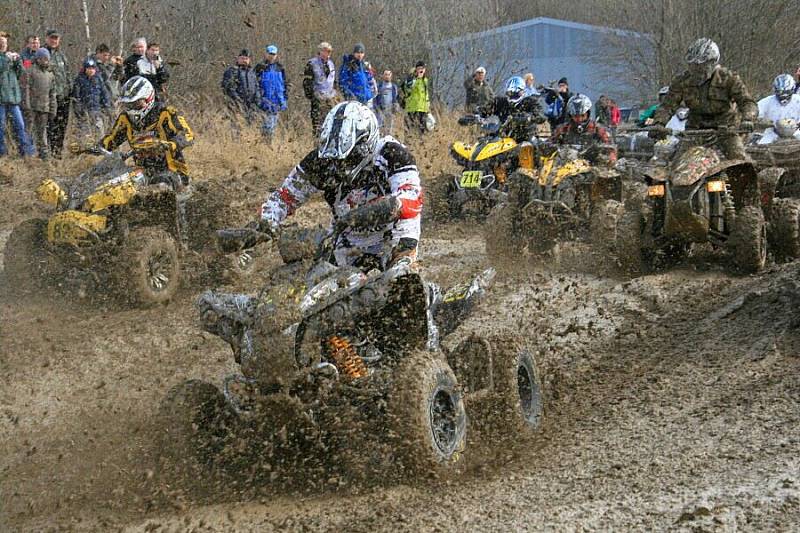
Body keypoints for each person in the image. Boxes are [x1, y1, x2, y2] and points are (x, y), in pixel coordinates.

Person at [258, 101, 422, 270]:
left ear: (366, 144)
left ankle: (409, 275)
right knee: (305, 276)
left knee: (402, 279)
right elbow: (284, 197)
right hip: (345, 239)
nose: (341, 165)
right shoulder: (320, 161)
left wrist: (379, 209)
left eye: (348, 158)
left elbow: (412, 198)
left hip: (393, 236)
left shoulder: (392, 154)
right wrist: (268, 221)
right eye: (335, 159)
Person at [651, 37, 757, 162]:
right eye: (693, 66)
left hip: (726, 131)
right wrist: (658, 123)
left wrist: (747, 119)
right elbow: (667, 105)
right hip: (695, 131)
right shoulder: (682, 81)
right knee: (678, 163)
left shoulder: (729, 79)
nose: (697, 70)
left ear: (713, 63)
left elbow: (747, 102)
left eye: (702, 66)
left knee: (740, 162)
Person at [101, 76, 194, 189]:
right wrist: (89, 147)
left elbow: (188, 134)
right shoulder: (125, 119)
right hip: (142, 172)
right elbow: (110, 140)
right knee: (115, 185)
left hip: (171, 171)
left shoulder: (165, 113)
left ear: (148, 98)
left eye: (136, 103)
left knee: (161, 186)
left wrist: (171, 144)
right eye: (129, 104)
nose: (132, 107)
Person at [477, 76, 546, 142]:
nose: (512, 94)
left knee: (531, 146)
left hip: (525, 137)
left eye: (516, 92)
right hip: (503, 137)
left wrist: (529, 117)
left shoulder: (530, 102)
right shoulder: (500, 102)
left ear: (522, 91)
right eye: (509, 92)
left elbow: (541, 116)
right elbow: (486, 110)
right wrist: (476, 116)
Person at [551, 94, 614, 162]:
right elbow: (549, 144)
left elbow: (611, 149)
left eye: (582, 116)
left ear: (588, 114)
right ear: (570, 115)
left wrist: (608, 157)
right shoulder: (563, 129)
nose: (579, 119)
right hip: (566, 166)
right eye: (575, 116)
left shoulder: (598, 129)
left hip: (592, 166)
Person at [0, 32, 34, 157]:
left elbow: (21, 74)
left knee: (20, 126)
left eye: (4, 42)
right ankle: (2, 155)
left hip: (13, 99)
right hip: (1, 100)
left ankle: (26, 154)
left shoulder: (10, 57)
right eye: (1, 42)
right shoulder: (5, 59)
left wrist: (18, 61)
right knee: (1, 129)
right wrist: (6, 60)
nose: (3, 44)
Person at [20, 48, 57, 159]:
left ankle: (44, 155)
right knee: (28, 131)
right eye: (43, 58)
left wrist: (53, 109)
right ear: (38, 59)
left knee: (42, 132)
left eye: (47, 58)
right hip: (31, 107)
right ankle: (26, 155)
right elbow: (25, 89)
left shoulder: (50, 75)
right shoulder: (30, 71)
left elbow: (52, 94)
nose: (45, 60)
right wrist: (26, 105)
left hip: (44, 108)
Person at [44, 29, 71, 158]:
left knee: (62, 126)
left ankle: (58, 152)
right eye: (52, 38)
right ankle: (49, 151)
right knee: (51, 126)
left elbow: (68, 73)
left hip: (64, 97)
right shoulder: (43, 54)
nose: (54, 41)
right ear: (47, 39)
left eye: (56, 38)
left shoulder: (62, 55)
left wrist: (70, 90)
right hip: (51, 98)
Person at [72, 58, 110, 142]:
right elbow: (76, 95)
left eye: (93, 68)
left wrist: (106, 105)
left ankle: (100, 145)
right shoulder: (79, 80)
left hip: (96, 109)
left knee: (99, 129)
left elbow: (104, 93)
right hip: (84, 110)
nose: (91, 71)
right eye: (89, 68)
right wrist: (78, 106)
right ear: (85, 69)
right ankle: (84, 146)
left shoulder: (98, 79)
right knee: (84, 130)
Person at [303, 42, 337, 135]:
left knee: (329, 123)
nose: (328, 53)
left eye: (330, 51)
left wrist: (335, 93)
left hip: (330, 98)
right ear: (321, 51)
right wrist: (312, 96)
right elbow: (307, 82)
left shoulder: (331, 64)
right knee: (318, 125)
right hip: (317, 98)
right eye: (326, 51)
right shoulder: (312, 63)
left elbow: (334, 81)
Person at [755, 74, 800, 144]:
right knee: (760, 148)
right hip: (773, 132)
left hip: (796, 132)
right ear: (775, 90)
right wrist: (759, 121)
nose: (784, 96)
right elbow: (754, 111)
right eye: (780, 92)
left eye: (787, 92)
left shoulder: (798, 100)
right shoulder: (767, 101)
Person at [221, 48, 260, 125]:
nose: (244, 60)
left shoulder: (252, 73)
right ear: (238, 59)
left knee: (249, 127)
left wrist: (257, 100)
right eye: (242, 58)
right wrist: (238, 101)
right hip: (236, 106)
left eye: (246, 59)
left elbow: (256, 87)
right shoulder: (232, 71)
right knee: (236, 127)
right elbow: (228, 88)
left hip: (251, 106)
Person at [256, 45, 288, 139]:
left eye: (273, 54)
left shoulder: (280, 68)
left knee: (272, 127)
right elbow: (255, 84)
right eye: (270, 53)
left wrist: (284, 98)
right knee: (266, 127)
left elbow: (285, 83)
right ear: (265, 54)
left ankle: (268, 146)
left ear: (276, 55)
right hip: (264, 101)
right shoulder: (260, 67)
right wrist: (259, 98)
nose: (271, 56)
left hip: (277, 102)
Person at [400, 61, 432, 134]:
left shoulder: (425, 80)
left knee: (422, 131)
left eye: (423, 68)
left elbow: (426, 95)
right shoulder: (411, 79)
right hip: (412, 108)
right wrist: (415, 78)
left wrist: (428, 108)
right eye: (419, 68)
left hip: (423, 109)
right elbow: (407, 89)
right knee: (411, 130)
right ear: (416, 69)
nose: (421, 70)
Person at [93, 44, 124, 108]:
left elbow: (117, 77)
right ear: (98, 53)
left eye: (108, 55)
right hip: (101, 100)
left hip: (111, 99)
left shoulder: (105, 66)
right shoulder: (93, 65)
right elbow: (105, 76)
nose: (106, 58)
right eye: (104, 55)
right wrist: (111, 65)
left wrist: (119, 67)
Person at [374, 69, 400, 135]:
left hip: (390, 109)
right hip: (380, 109)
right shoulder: (379, 85)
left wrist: (395, 107)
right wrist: (376, 107)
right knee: (379, 127)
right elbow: (375, 96)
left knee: (389, 129)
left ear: (391, 76)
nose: (387, 76)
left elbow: (396, 98)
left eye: (388, 74)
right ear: (383, 76)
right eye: (385, 74)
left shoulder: (394, 87)